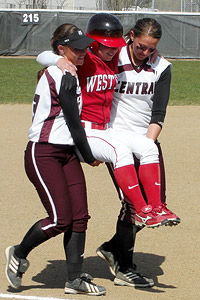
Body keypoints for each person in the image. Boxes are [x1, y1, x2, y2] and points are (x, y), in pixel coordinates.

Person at [36, 13, 180, 288]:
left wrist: (147, 144)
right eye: (140, 46)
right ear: (130, 38)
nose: (145, 52)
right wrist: (59, 59)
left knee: (154, 200)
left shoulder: (160, 66)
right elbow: (53, 54)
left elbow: (158, 112)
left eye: (151, 48)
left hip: (141, 137)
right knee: (133, 205)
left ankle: (114, 248)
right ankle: (124, 265)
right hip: (110, 135)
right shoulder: (114, 55)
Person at [5, 23, 107, 296]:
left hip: (65, 153)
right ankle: (18, 252)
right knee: (60, 219)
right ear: (62, 50)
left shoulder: (67, 69)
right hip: (44, 152)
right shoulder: (60, 74)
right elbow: (74, 122)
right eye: (77, 48)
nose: (83, 52)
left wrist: (80, 153)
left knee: (79, 217)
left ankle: (74, 279)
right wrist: (89, 155)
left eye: (85, 46)